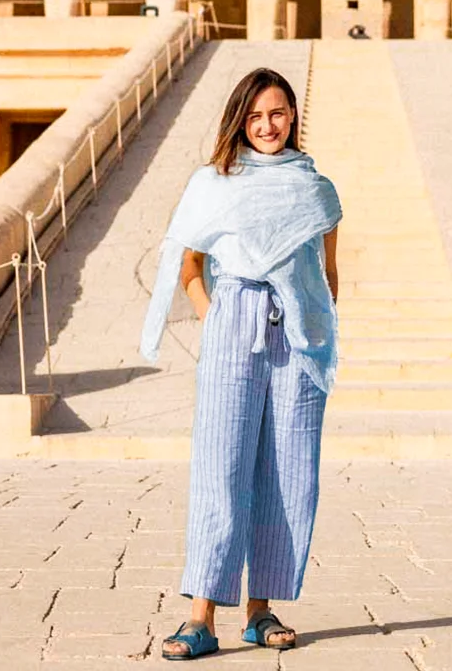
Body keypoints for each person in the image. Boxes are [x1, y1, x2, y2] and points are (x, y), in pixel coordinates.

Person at [139, 67, 342, 660]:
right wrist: (218, 316)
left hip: (299, 336)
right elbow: (190, 266)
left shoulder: (316, 189)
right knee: (221, 465)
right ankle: (200, 615)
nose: (267, 126)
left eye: (277, 114)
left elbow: (329, 273)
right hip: (235, 327)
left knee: (288, 470)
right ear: (240, 122)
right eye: (255, 117)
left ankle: (262, 610)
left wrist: (320, 323)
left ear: (293, 118)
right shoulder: (215, 182)